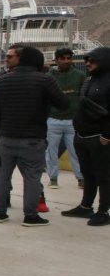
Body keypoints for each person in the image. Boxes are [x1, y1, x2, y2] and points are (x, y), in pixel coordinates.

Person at [0, 44, 69, 226]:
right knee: (32, 177)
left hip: (6, 137)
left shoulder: (2, 80)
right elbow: (63, 104)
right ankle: (30, 215)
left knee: (3, 176)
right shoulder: (44, 80)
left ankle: (0, 212)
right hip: (33, 138)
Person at [62, 46, 110, 226]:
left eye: (93, 60)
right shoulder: (89, 80)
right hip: (82, 135)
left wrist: (107, 134)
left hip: (100, 137)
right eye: (87, 60)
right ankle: (85, 206)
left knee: (104, 176)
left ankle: (104, 210)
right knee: (88, 174)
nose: (88, 63)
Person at [45, 47, 86, 189]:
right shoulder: (49, 76)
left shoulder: (80, 76)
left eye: (69, 58)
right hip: (53, 119)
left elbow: (83, 97)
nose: (66, 61)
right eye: (62, 58)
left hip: (73, 120)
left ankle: (81, 178)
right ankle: (53, 178)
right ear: (56, 60)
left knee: (76, 151)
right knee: (51, 151)